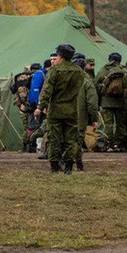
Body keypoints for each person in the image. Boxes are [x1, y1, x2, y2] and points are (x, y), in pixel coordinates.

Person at [35, 43, 86, 174]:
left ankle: (54, 166)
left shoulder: (54, 71)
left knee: (54, 140)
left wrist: (41, 107)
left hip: (55, 111)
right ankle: (69, 166)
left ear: (60, 55)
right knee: (71, 140)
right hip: (72, 110)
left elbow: (47, 91)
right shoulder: (79, 71)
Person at [95, 52, 127, 151]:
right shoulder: (124, 70)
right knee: (120, 124)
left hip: (107, 102)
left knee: (108, 124)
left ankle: (108, 144)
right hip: (121, 102)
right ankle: (118, 144)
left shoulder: (104, 70)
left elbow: (97, 83)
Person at [71, 53, 99, 171]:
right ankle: (78, 163)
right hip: (80, 117)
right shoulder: (87, 81)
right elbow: (92, 103)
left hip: (64, 114)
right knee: (78, 139)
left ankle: (61, 163)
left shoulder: (64, 79)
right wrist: (94, 119)